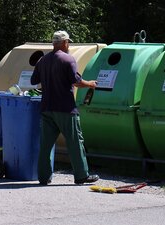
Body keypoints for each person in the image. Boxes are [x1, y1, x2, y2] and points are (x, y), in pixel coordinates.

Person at [31, 30, 99, 185]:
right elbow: (76, 82)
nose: (69, 45)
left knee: (46, 145)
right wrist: (91, 84)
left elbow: (35, 80)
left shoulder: (42, 60)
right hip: (66, 109)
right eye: (68, 42)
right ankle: (81, 175)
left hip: (47, 108)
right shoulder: (68, 59)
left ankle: (43, 177)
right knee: (75, 142)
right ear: (64, 43)